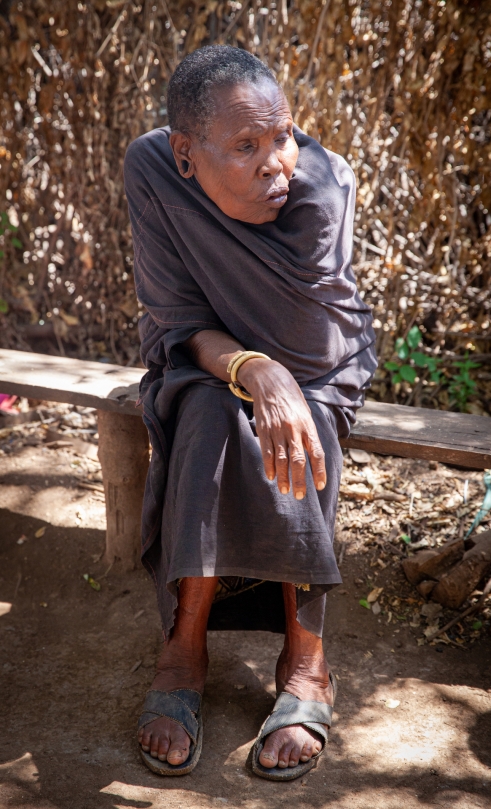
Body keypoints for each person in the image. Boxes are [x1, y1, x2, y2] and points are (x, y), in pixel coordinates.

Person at [124, 45, 376, 781]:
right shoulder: (150, 169)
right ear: (184, 155)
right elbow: (174, 315)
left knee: (295, 420)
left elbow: (305, 349)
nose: (279, 163)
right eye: (247, 145)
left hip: (321, 366)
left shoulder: (316, 196)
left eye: (284, 134)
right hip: (213, 357)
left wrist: (263, 371)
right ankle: (185, 643)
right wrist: (247, 365)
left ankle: (307, 657)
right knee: (206, 410)